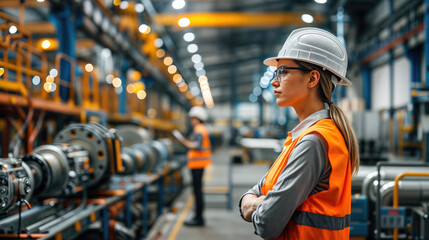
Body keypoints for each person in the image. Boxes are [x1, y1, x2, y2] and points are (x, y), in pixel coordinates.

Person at [239, 27, 360, 239]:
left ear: (312, 79)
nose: (274, 81)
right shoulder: (307, 137)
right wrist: (257, 200)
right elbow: (259, 189)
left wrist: (254, 203)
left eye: (283, 72)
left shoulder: (314, 142)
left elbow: (266, 223)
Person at [173, 106, 211, 226]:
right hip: (198, 164)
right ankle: (198, 217)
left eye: (192, 118)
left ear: (197, 118)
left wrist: (183, 141)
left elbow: (197, 146)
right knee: (197, 191)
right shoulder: (202, 128)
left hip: (198, 165)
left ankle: (198, 218)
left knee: (197, 192)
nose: (191, 120)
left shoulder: (199, 129)